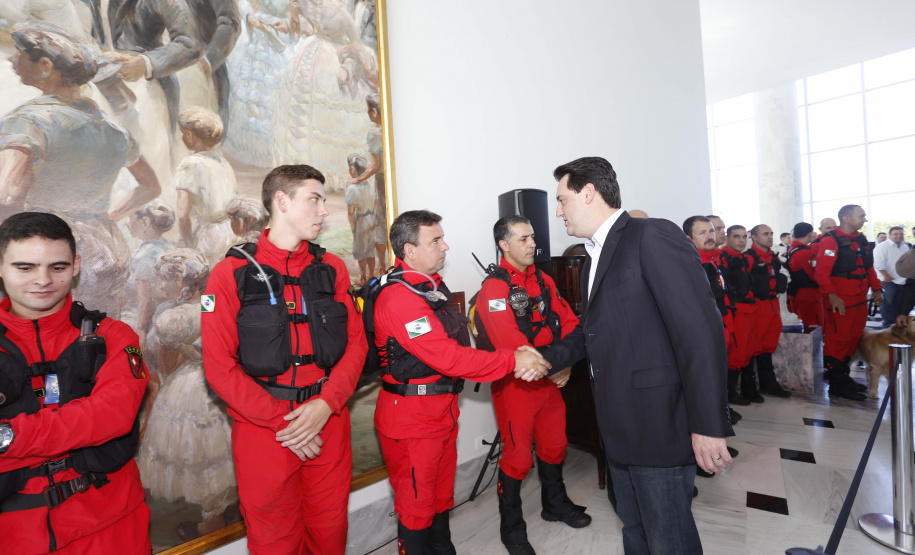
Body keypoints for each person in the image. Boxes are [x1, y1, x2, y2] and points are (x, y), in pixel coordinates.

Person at [550, 157, 733, 554]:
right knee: (634, 529)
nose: (558, 210)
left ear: (588, 192)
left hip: (659, 425)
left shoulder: (650, 235)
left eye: (562, 199)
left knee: (668, 538)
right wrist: (547, 357)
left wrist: (707, 424)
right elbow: (593, 330)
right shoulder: (591, 257)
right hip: (618, 426)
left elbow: (700, 332)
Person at [201, 165, 368, 554]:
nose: (324, 210)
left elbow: (357, 346)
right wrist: (287, 423)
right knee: (274, 540)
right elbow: (219, 368)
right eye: (315, 199)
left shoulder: (332, 269)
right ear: (281, 200)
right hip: (265, 430)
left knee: (329, 533)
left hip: (329, 419)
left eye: (323, 201)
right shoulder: (230, 274)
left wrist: (326, 404)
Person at [372, 210, 551, 553]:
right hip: (411, 418)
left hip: (440, 411)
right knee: (416, 504)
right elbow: (448, 357)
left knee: (440, 497)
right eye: (435, 240)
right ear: (409, 250)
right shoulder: (399, 299)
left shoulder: (429, 289)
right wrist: (512, 359)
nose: (445, 246)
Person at [0, 212, 150, 553]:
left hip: (111, 525)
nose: (43, 280)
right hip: (16, 535)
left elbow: (112, 416)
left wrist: (10, 436)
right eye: (25, 267)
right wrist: (79, 426)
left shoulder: (113, 336)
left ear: (76, 265)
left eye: (58, 267)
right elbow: (91, 420)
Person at [0, 21, 161, 318]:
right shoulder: (115, 131)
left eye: (19, 53)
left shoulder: (29, 121)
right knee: (95, 341)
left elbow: (8, 196)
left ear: (46, 66)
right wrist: (108, 216)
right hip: (104, 250)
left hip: (44, 258)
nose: (12, 59)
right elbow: (151, 186)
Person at [476, 215, 590, 555]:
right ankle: (512, 528)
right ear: (503, 245)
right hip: (516, 388)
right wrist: (556, 364)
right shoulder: (493, 290)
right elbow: (512, 348)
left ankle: (554, 504)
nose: (532, 244)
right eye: (523, 239)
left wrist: (562, 365)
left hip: (551, 383)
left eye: (533, 238)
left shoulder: (543, 280)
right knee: (516, 458)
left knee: (555, 445)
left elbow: (571, 324)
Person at [814, 205, 883, 401]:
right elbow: (821, 274)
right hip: (840, 302)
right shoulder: (829, 241)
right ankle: (836, 384)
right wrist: (832, 295)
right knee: (838, 341)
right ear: (845, 218)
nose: (865, 220)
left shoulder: (859, 240)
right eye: (861, 216)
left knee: (853, 339)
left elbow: (868, 268)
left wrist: (876, 288)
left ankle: (843, 377)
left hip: (859, 301)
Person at [683, 216, 743, 426]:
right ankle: (711, 432)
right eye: (702, 233)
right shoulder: (691, 263)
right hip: (707, 332)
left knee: (719, 378)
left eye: (711, 231)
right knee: (708, 382)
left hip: (724, 325)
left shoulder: (714, 258)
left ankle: (720, 419)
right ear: (689, 238)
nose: (710, 236)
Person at [173, 106, 239, 269]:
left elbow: (182, 213)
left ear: (190, 135)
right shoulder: (222, 162)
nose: (181, 137)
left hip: (209, 238)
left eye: (183, 133)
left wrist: (189, 245)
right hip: (231, 233)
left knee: (205, 287)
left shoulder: (190, 164)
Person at [746, 224, 790, 398]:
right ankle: (750, 387)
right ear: (754, 237)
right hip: (758, 306)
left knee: (768, 346)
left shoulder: (772, 256)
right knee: (755, 346)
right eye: (765, 234)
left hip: (773, 306)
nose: (770, 237)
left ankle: (768, 383)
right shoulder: (749, 258)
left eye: (771, 233)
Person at [719, 225, 758, 405]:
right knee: (735, 353)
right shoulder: (723, 258)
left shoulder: (742, 258)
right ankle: (730, 395)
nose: (742, 240)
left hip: (749, 310)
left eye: (744, 237)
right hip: (737, 311)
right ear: (727, 239)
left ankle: (744, 390)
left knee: (746, 351)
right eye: (737, 236)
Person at [344, 153, 377, 285]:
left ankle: (363, 276)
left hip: (361, 220)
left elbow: (351, 212)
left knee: (360, 251)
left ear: (353, 169)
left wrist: (353, 227)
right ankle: (372, 274)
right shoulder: (367, 184)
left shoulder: (352, 188)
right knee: (370, 250)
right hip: (371, 218)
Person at [785, 222, 824, 332]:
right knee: (812, 329)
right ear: (810, 234)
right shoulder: (804, 253)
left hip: (798, 294)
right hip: (808, 297)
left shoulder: (792, 250)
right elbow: (815, 276)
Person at [873, 226, 909, 329]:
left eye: (901, 234)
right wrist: (886, 276)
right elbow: (878, 264)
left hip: (902, 280)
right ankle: (887, 327)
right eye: (896, 234)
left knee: (898, 303)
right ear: (890, 235)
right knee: (888, 304)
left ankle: (897, 327)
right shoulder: (882, 246)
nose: (899, 236)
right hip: (887, 280)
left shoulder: (905, 246)